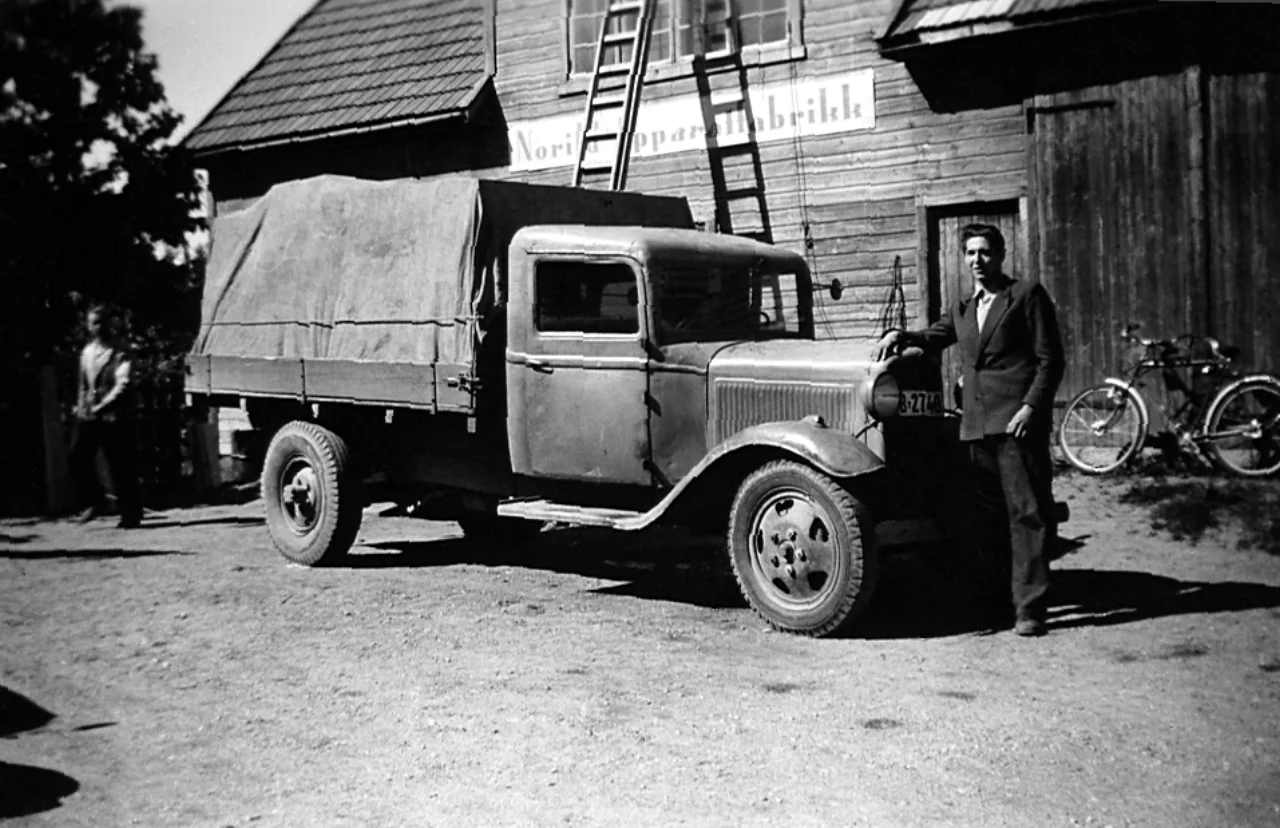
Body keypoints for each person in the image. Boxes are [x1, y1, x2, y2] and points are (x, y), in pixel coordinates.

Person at [879, 224, 1065, 636]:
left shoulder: (1025, 296)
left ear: (1000, 256)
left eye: (985, 252)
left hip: (1016, 424)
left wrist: (1030, 409)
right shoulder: (963, 307)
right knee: (986, 519)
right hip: (977, 425)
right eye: (970, 253)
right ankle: (997, 600)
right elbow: (934, 336)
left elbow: (1051, 360)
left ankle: (1030, 608)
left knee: (1026, 514)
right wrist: (900, 335)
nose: (977, 260)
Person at [69, 304, 143, 529]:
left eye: (101, 322)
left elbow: (123, 384)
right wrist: (81, 407)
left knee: (120, 464)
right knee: (77, 457)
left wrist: (103, 405)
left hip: (116, 415)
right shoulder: (87, 353)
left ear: (110, 324)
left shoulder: (120, 351)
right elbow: (83, 384)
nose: (97, 327)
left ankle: (130, 513)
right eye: (93, 323)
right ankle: (95, 500)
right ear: (88, 326)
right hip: (90, 415)